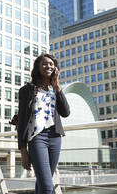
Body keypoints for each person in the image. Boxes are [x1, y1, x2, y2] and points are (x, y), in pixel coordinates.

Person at [16, 54, 70, 194]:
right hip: (37, 138)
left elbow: (65, 112)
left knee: (42, 183)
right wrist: (23, 151)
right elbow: (22, 121)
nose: (49, 66)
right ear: (38, 68)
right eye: (45, 64)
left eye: (51, 64)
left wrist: (57, 86)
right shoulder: (27, 90)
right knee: (46, 186)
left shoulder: (55, 89)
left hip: (55, 137)